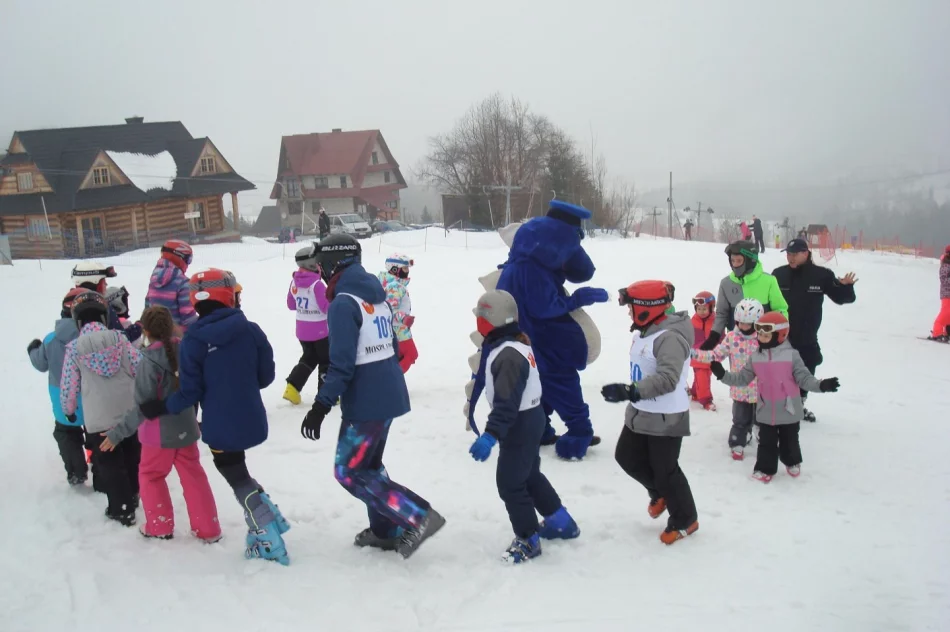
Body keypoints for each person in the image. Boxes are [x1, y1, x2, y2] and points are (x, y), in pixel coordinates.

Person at [300, 234, 445, 559]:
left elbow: (341, 365)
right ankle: (385, 531)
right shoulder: (375, 294)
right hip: (388, 391)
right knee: (370, 467)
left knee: (348, 471)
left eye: (322, 264)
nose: (320, 270)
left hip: (367, 400)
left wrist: (320, 406)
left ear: (334, 263)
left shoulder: (343, 303)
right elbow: (392, 345)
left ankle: (417, 515)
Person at [139, 269, 289, 564]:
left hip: (220, 426)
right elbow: (266, 376)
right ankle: (271, 516)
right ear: (228, 296)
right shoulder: (251, 330)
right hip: (252, 419)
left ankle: (268, 536)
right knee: (240, 471)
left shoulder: (194, 339)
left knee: (237, 478)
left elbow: (190, 392)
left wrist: (161, 407)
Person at [467, 290, 580, 563]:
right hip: (530, 418)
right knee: (528, 475)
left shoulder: (507, 354)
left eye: (480, 317)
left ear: (489, 321)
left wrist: (491, 435)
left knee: (510, 483)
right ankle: (560, 521)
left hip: (519, 422)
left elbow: (507, 403)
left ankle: (528, 539)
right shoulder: (512, 344)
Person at [495, 200, 609, 459]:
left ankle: (539, 430)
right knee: (561, 382)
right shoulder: (529, 269)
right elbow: (544, 306)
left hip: (527, 339)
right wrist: (579, 298)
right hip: (544, 340)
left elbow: (580, 272)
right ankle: (580, 431)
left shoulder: (525, 261)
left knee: (539, 385)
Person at [101, 306, 221, 542]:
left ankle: (159, 526)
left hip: (158, 435)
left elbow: (142, 408)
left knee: (151, 475)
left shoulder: (148, 361)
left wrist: (117, 434)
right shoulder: (187, 351)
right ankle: (209, 528)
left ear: (145, 330)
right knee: (194, 476)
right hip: (187, 427)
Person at [601, 280, 699, 545]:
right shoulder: (645, 332)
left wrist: (629, 391)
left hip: (666, 418)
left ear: (647, 308)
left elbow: (668, 378)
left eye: (632, 308)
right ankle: (661, 493)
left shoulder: (670, 338)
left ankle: (685, 519)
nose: (629, 313)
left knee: (666, 471)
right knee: (626, 457)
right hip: (642, 411)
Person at [711, 311, 841, 482]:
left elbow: (804, 378)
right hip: (765, 409)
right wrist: (723, 375)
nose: (762, 338)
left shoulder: (791, 356)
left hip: (788, 409)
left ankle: (792, 461)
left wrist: (821, 385)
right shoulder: (756, 357)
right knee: (766, 443)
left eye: (766, 335)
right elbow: (742, 378)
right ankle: (765, 469)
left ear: (780, 335)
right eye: (760, 334)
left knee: (790, 441)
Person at [60, 291, 142, 526]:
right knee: (131, 457)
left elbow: (68, 384)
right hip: (128, 414)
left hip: (99, 419)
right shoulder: (120, 339)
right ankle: (134, 494)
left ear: (78, 321)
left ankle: (121, 508)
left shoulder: (74, 349)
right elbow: (140, 366)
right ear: (104, 317)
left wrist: (69, 409)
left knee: (109, 464)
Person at [771, 238, 856, 421]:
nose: (790, 258)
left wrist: (846, 287)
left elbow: (841, 298)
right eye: (788, 254)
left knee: (807, 369)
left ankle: (799, 404)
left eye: (794, 254)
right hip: (780, 336)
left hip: (807, 336)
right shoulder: (778, 274)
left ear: (806, 254)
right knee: (780, 372)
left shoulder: (821, 275)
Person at [27, 288, 89, 486]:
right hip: (92, 395)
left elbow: (41, 364)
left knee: (66, 433)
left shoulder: (50, 339)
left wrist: (33, 349)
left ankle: (76, 470)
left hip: (61, 397)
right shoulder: (93, 336)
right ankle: (103, 468)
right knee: (97, 432)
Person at [692, 298, 764, 460]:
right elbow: (716, 354)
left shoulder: (763, 338)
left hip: (762, 390)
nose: (744, 327)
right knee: (740, 420)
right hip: (740, 390)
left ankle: (763, 437)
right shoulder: (732, 337)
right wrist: (695, 353)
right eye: (740, 323)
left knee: (761, 419)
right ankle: (737, 442)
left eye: (748, 323)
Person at [700, 240, 788, 351]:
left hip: (764, 344)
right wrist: (714, 337)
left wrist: (778, 336)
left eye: (739, 261)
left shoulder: (769, 281)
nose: (735, 265)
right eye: (732, 261)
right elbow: (722, 313)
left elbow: (780, 310)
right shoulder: (726, 283)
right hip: (737, 345)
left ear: (750, 260)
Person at [283, 244, 330, 404]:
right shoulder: (317, 285)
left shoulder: (294, 282)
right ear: (311, 264)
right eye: (317, 263)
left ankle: (292, 387)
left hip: (302, 330)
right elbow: (326, 308)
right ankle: (327, 393)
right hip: (321, 332)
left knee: (309, 358)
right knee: (326, 360)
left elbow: (291, 305)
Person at [71, 261, 141, 342]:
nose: (106, 284)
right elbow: (121, 340)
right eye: (103, 281)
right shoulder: (102, 309)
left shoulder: (71, 305)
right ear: (96, 283)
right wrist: (138, 327)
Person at [144, 239, 198, 331]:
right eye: (188, 259)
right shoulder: (183, 283)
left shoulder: (154, 279)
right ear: (180, 257)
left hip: (156, 336)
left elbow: (148, 308)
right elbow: (189, 319)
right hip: (178, 339)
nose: (188, 264)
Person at [378, 253, 418, 373]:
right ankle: (391, 380)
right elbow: (390, 310)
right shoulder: (394, 286)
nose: (407, 272)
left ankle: (391, 381)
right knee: (411, 354)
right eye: (405, 268)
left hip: (398, 329)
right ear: (395, 269)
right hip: (399, 330)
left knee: (398, 357)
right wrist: (404, 318)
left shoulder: (394, 284)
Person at [689, 290, 716, 411]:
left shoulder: (716, 321)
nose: (701, 312)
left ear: (712, 307)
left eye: (704, 309)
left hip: (712, 355)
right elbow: (687, 337)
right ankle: (706, 401)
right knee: (702, 376)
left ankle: (695, 392)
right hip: (696, 356)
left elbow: (721, 337)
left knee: (703, 376)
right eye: (698, 309)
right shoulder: (692, 321)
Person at [928, 245, 950, 342]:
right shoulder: (945, 265)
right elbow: (945, 280)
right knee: (945, 315)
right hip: (947, 294)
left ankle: (946, 333)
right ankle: (937, 333)